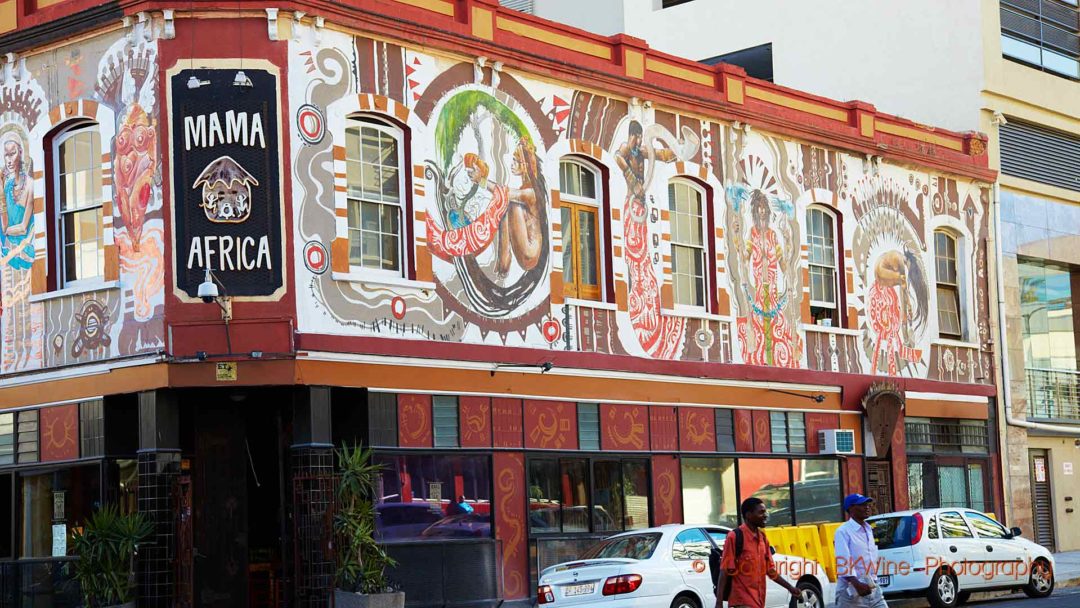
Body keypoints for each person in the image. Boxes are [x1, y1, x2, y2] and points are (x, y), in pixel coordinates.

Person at [716, 497, 800, 608]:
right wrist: (719, 602)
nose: (765, 515)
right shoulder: (735, 537)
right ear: (748, 515)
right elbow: (725, 570)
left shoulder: (763, 538)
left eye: (765, 512)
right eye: (761, 512)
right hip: (742, 602)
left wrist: (790, 588)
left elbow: (770, 571)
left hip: (759, 602)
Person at [834, 493, 888, 608]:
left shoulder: (868, 529)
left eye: (867, 504)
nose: (867, 507)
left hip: (872, 588)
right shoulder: (843, 531)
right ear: (851, 508)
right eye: (862, 505)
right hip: (851, 592)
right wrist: (857, 584)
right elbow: (843, 561)